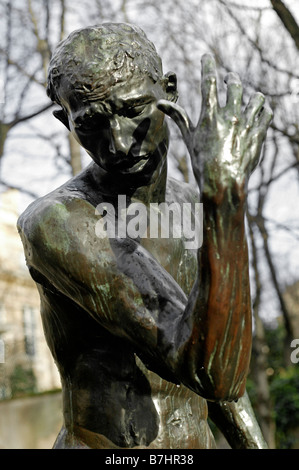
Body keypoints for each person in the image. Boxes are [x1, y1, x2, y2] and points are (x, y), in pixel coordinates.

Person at [17, 23, 272, 449]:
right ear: (66, 121)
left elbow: (226, 355)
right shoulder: (58, 223)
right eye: (91, 123)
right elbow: (209, 371)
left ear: (168, 91)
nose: (117, 143)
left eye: (134, 109)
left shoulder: (197, 205)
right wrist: (225, 197)